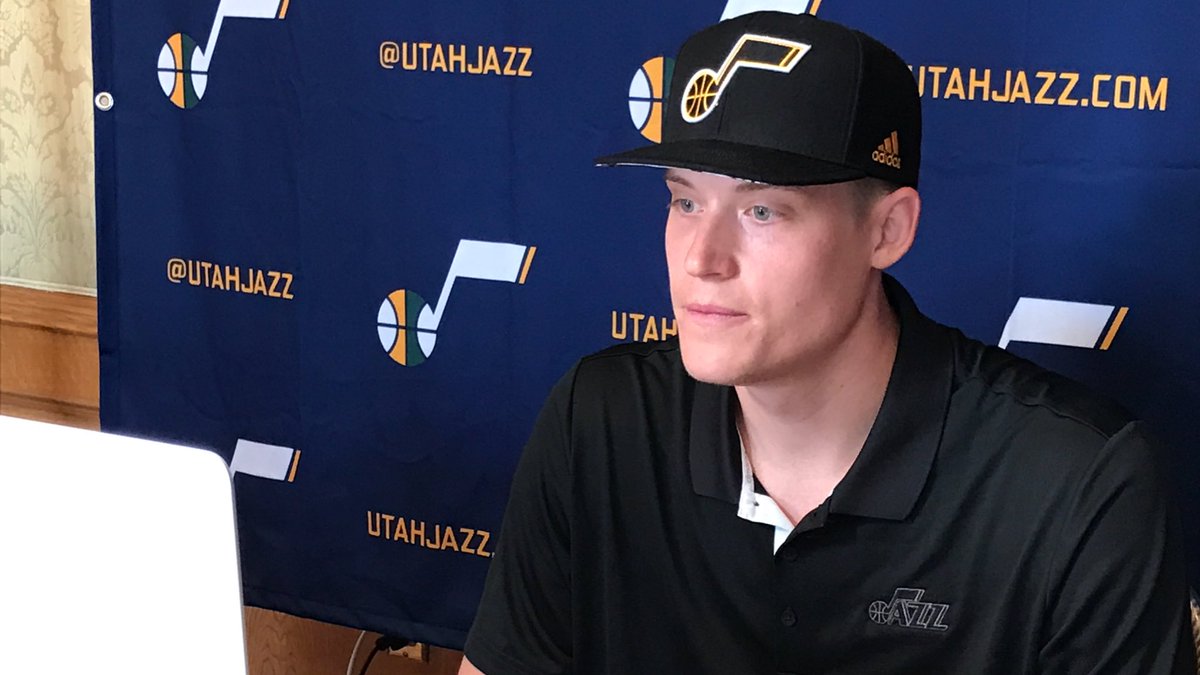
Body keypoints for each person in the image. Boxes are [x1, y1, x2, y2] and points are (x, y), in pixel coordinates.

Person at [459, 11, 1194, 674]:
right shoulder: (599, 418)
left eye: (762, 211)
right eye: (685, 200)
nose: (701, 258)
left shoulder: (1076, 483)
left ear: (887, 230)